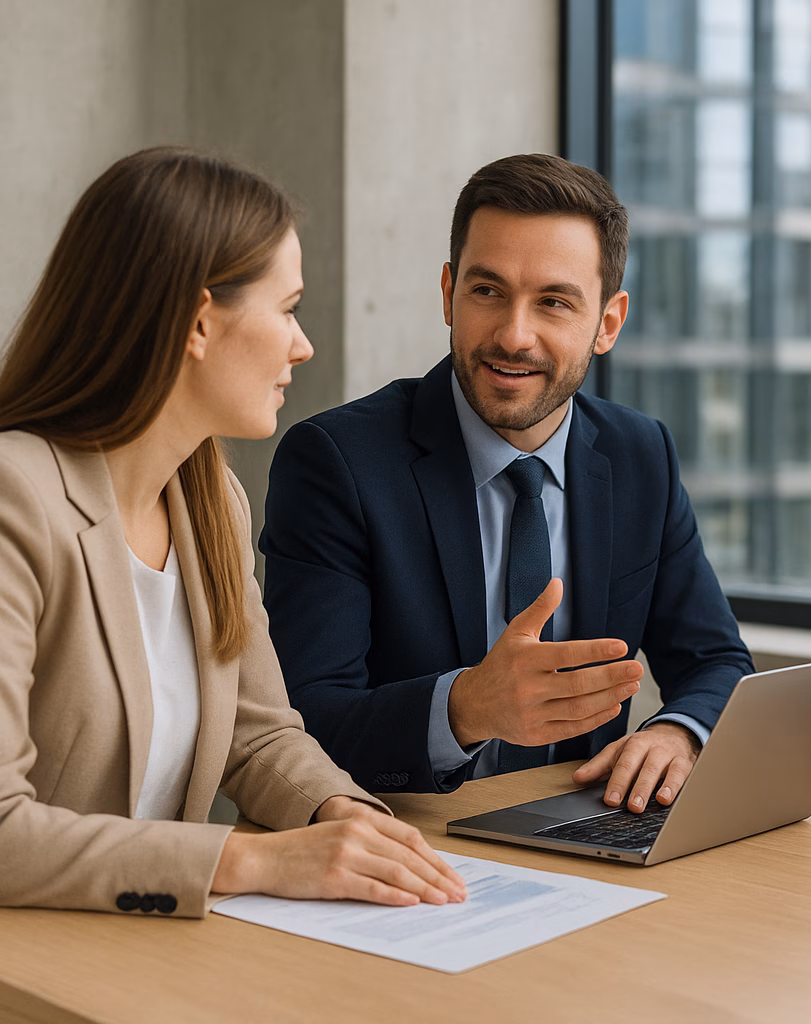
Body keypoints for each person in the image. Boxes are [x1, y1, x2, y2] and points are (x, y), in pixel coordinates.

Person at [0, 147, 465, 917]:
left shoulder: (212, 499)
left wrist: (340, 817)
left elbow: (257, 735)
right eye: (287, 309)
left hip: (141, 958)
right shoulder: (17, 498)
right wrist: (253, 859)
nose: (302, 344)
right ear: (197, 322)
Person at [261, 153, 753, 811]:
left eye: (553, 302)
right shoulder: (337, 462)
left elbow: (717, 661)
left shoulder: (641, 454)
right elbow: (298, 725)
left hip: (580, 831)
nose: (513, 336)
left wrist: (677, 732)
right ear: (447, 293)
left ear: (608, 323)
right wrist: (464, 708)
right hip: (404, 843)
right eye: (487, 291)